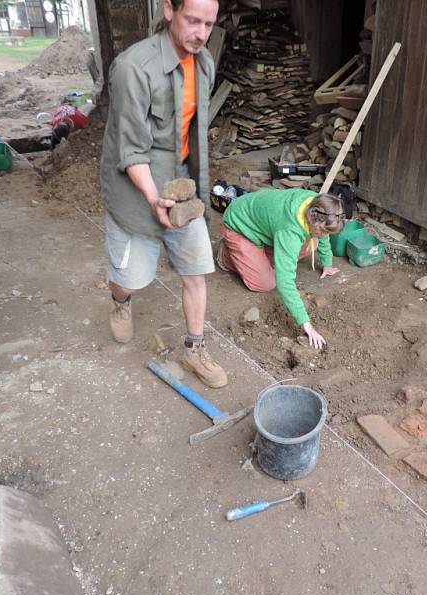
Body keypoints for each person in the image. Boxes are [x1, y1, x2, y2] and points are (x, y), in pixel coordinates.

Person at [100, 0, 227, 388]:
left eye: (209, 24)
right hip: (134, 190)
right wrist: (155, 198)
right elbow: (130, 150)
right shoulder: (132, 69)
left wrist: (192, 190)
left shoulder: (204, 63)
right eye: (193, 20)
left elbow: (193, 134)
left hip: (181, 189)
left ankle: (195, 349)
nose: (201, 33)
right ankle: (121, 302)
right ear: (170, 10)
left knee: (196, 271)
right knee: (131, 279)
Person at [218, 189, 345, 349]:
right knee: (265, 283)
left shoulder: (319, 205)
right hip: (239, 225)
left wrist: (327, 263)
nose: (324, 234)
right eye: (323, 230)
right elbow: (284, 282)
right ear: (313, 218)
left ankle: (257, 257)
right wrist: (307, 325)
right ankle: (227, 256)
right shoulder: (290, 230)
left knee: (312, 243)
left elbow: (324, 233)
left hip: (263, 222)